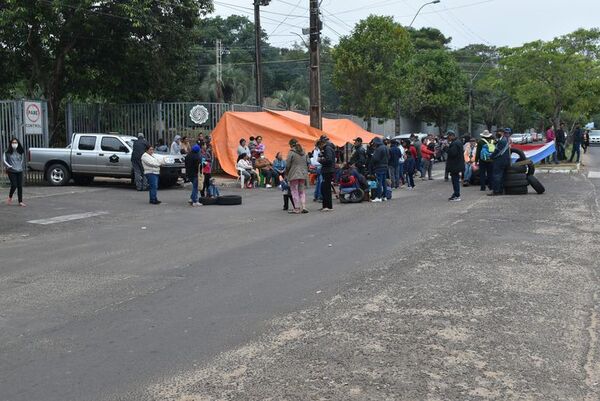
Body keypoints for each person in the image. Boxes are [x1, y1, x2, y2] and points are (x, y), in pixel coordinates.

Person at [285, 139, 309, 214]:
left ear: (291, 144)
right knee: (301, 191)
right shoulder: (304, 152)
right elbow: (308, 162)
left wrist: (286, 173)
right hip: (303, 173)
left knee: (294, 190)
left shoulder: (291, 152)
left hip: (294, 173)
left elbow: (288, 164)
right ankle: (304, 207)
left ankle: (297, 208)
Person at [3, 137, 26, 206]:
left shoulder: (20, 151)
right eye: (13, 143)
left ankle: (20, 201)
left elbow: (22, 160)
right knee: (14, 185)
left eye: (16, 142)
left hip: (19, 170)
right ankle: (10, 197)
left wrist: (19, 166)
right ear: (11, 143)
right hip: (11, 171)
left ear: (18, 143)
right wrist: (9, 166)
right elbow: (4, 160)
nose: (14, 144)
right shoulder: (7, 152)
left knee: (20, 186)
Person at [488, 128, 511, 196]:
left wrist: (491, 156)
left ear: (501, 133)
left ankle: (496, 191)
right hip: (505, 160)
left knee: (496, 176)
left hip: (499, 161)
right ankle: (500, 190)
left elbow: (497, 151)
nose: (496, 133)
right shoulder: (505, 139)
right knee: (501, 176)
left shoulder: (502, 141)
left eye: (498, 132)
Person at [318, 135, 336, 211]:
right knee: (325, 188)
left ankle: (327, 206)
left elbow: (328, 160)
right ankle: (327, 205)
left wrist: (320, 160)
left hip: (327, 170)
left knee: (325, 188)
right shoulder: (328, 148)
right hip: (328, 170)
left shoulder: (327, 148)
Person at [445, 131, 465, 201]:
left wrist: (446, 148)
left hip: (455, 165)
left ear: (451, 136)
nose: (447, 138)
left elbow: (452, 153)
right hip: (457, 164)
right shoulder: (457, 142)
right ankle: (456, 194)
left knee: (455, 181)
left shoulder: (455, 143)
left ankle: (457, 195)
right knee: (455, 180)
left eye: (448, 137)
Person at [368, 137, 389, 202]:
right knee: (383, 182)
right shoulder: (386, 147)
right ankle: (384, 196)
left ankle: (378, 197)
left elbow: (375, 159)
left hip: (379, 167)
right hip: (385, 166)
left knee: (378, 182)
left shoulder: (378, 149)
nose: (374, 144)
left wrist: (371, 161)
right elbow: (389, 157)